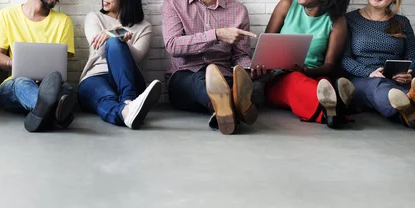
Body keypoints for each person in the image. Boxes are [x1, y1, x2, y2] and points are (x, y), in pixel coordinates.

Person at [162, 0, 258, 135]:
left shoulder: (238, 10)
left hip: (222, 74)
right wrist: (216, 35)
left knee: (227, 83)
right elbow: (173, 45)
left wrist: (249, 68)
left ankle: (224, 111)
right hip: (184, 75)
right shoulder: (173, 4)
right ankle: (236, 104)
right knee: (199, 82)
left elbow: (240, 55)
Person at [258, 0, 353, 129]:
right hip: (281, 78)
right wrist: (260, 67)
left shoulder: (337, 20)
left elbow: (330, 64)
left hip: (314, 74)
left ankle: (331, 111)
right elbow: (265, 47)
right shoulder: (287, 5)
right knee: (297, 81)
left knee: (323, 83)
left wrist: (307, 71)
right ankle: (336, 108)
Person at [0, 0, 76, 132]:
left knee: (66, 88)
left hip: (47, 84)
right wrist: (14, 63)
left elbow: (60, 65)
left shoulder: (63, 21)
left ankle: (42, 112)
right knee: (22, 83)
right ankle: (53, 111)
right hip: (15, 85)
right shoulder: (6, 15)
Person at [78, 0, 160, 129]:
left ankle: (128, 99)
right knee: (106, 97)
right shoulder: (94, 17)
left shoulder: (144, 27)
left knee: (115, 43)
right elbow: (99, 50)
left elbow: (138, 57)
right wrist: (113, 33)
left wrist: (119, 35)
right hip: (96, 77)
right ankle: (126, 111)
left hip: (127, 79)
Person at [342, 0, 415, 128]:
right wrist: (369, 72)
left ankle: (408, 113)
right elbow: (345, 58)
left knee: (396, 90)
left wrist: (409, 73)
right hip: (363, 79)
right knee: (378, 86)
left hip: (396, 79)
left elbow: (412, 56)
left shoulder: (402, 22)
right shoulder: (349, 19)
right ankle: (407, 100)